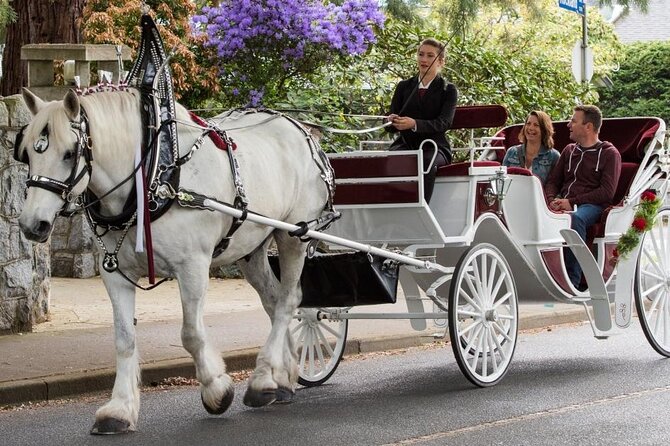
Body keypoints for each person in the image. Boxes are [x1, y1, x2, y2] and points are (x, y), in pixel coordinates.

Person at [545, 105, 621, 290]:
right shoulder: (569, 151)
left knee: (575, 218)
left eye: (573, 121)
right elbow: (553, 181)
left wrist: (572, 202)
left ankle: (574, 280)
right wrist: (550, 199)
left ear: (588, 126)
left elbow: (607, 192)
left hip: (592, 206)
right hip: (564, 201)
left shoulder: (609, 154)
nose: (568, 124)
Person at [386, 38, 458, 202]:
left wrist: (414, 124)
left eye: (430, 56)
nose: (424, 60)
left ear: (441, 61)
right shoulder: (404, 86)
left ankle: (421, 208)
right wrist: (391, 120)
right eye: (421, 54)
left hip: (435, 148)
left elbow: (444, 123)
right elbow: (390, 126)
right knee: (389, 161)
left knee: (424, 162)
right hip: (406, 145)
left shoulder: (448, 90)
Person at [502, 111, 559, 184]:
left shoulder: (553, 156)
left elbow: (555, 186)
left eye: (536, 125)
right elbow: (502, 181)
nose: (531, 128)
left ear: (544, 129)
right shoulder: (512, 152)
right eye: (528, 124)